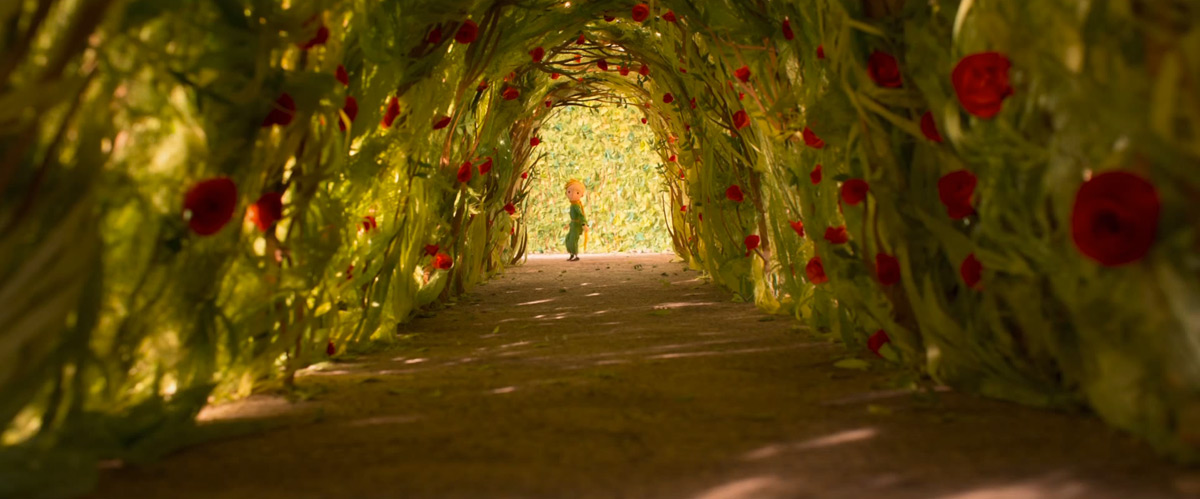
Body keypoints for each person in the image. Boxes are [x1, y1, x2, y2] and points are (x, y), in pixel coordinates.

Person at [564, 178, 588, 261]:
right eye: (569, 192)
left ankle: (575, 255)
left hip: (576, 226)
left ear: (581, 194)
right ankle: (571, 254)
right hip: (573, 225)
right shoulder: (573, 205)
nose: (573, 194)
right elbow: (573, 217)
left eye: (577, 192)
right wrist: (568, 224)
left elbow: (581, 215)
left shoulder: (576, 206)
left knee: (573, 240)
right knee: (568, 239)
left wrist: (584, 224)